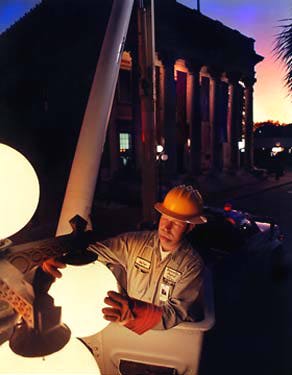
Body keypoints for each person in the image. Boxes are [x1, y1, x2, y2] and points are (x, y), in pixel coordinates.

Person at [42, 185, 207, 335]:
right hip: (128, 328)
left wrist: (134, 312)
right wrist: (62, 256)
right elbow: (94, 252)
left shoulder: (191, 265)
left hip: (172, 336)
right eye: (164, 218)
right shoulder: (134, 243)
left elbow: (175, 313)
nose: (166, 227)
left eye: (176, 223)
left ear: (190, 227)